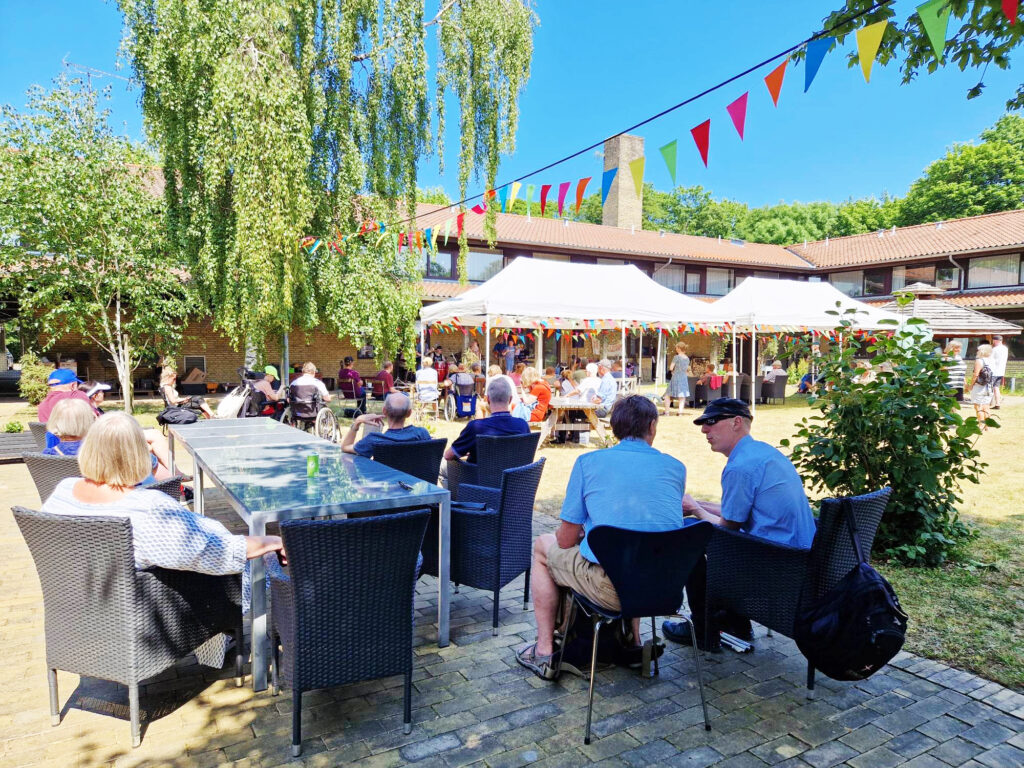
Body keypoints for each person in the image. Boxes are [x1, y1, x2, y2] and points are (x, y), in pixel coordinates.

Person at [41, 412, 284, 666]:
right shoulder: (147, 506)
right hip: (145, 616)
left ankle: (218, 642)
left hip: (80, 608)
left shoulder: (63, 490)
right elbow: (211, 553)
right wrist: (271, 542)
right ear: (138, 454)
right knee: (252, 564)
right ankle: (231, 640)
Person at [515, 396, 688, 680]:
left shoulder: (589, 463)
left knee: (542, 546)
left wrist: (587, 530)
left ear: (614, 428)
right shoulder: (676, 467)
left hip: (613, 590)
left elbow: (566, 540)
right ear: (653, 427)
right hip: (666, 589)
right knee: (642, 549)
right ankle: (632, 641)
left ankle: (544, 650)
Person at [662, 399, 816, 651]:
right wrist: (699, 503)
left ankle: (704, 630)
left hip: (777, 567)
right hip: (797, 561)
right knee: (695, 525)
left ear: (736, 422)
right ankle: (732, 622)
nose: (703, 430)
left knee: (689, 535)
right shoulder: (763, 453)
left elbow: (728, 527)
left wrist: (695, 510)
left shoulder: (740, 466)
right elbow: (739, 515)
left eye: (711, 422)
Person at [444, 377, 530, 464]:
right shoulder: (523, 425)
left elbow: (448, 456)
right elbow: (527, 457)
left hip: (477, 477)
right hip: (514, 477)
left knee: (442, 465)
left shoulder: (475, 427)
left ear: (488, 399)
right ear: (510, 399)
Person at [341, 393, 431, 458]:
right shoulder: (422, 433)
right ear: (409, 413)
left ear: (384, 411)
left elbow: (345, 447)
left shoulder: (374, 440)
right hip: (414, 482)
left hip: (386, 483)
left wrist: (358, 421)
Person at [969, 344, 995, 431]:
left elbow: (975, 374)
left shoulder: (979, 361)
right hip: (989, 387)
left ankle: (981, 425)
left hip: (980, 387)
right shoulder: (992, 361)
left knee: (978, 406)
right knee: (986, 406)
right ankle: (987, 425)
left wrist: (971, 385)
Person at [663, 342, 690, 416]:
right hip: (684, 377)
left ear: (679, 348)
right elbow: (686, 369)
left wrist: (673, 371)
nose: (676, 349)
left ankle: (667, 412)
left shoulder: (677, 357)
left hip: (676, 377)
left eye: (676, 347)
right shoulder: (687, 358)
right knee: (682, 396)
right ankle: (680, 412)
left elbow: (671, 368)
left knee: (667, 395)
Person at [989, 335, 1008, 410]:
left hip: (994, 371)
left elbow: (990, 359)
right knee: (996, 387)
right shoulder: (1005, 348)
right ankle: (997, 403)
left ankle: (988, 402)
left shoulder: (995, 349)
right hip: (1001, 371)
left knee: (990, 387)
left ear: (995, 341)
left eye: (993, 341)